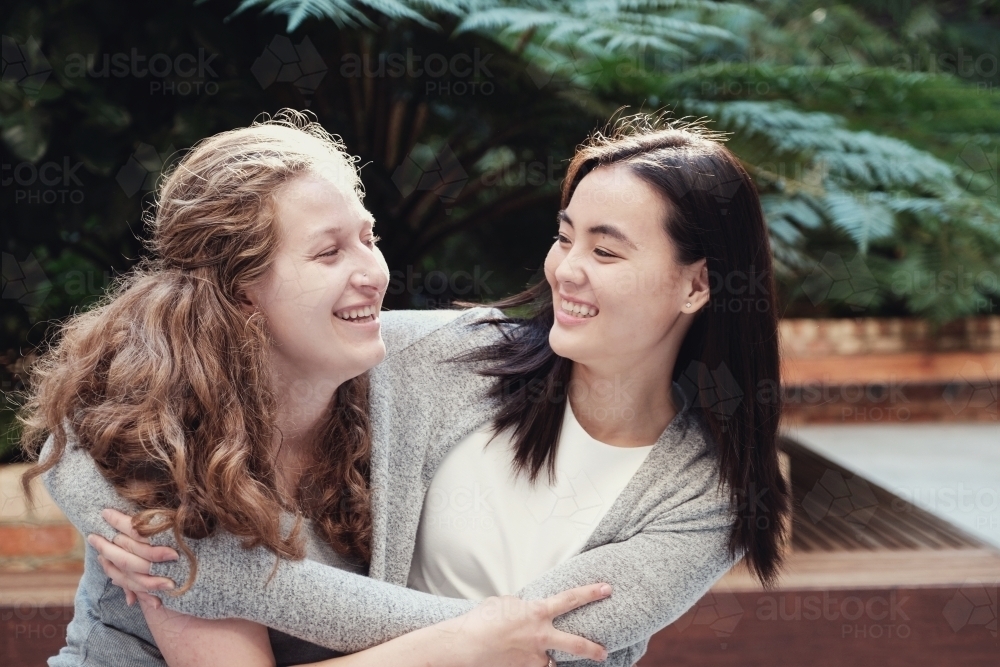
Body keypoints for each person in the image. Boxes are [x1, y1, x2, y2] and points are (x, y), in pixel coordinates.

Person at [39, 113, 790, 667]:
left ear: (697, 285)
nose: (566, 269)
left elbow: (540, 643)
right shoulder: (453, 356)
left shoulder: (706, 493)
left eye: (607, 250)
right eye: (565, 237)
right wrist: (139, 528)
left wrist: (214, 575)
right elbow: (102, 419)